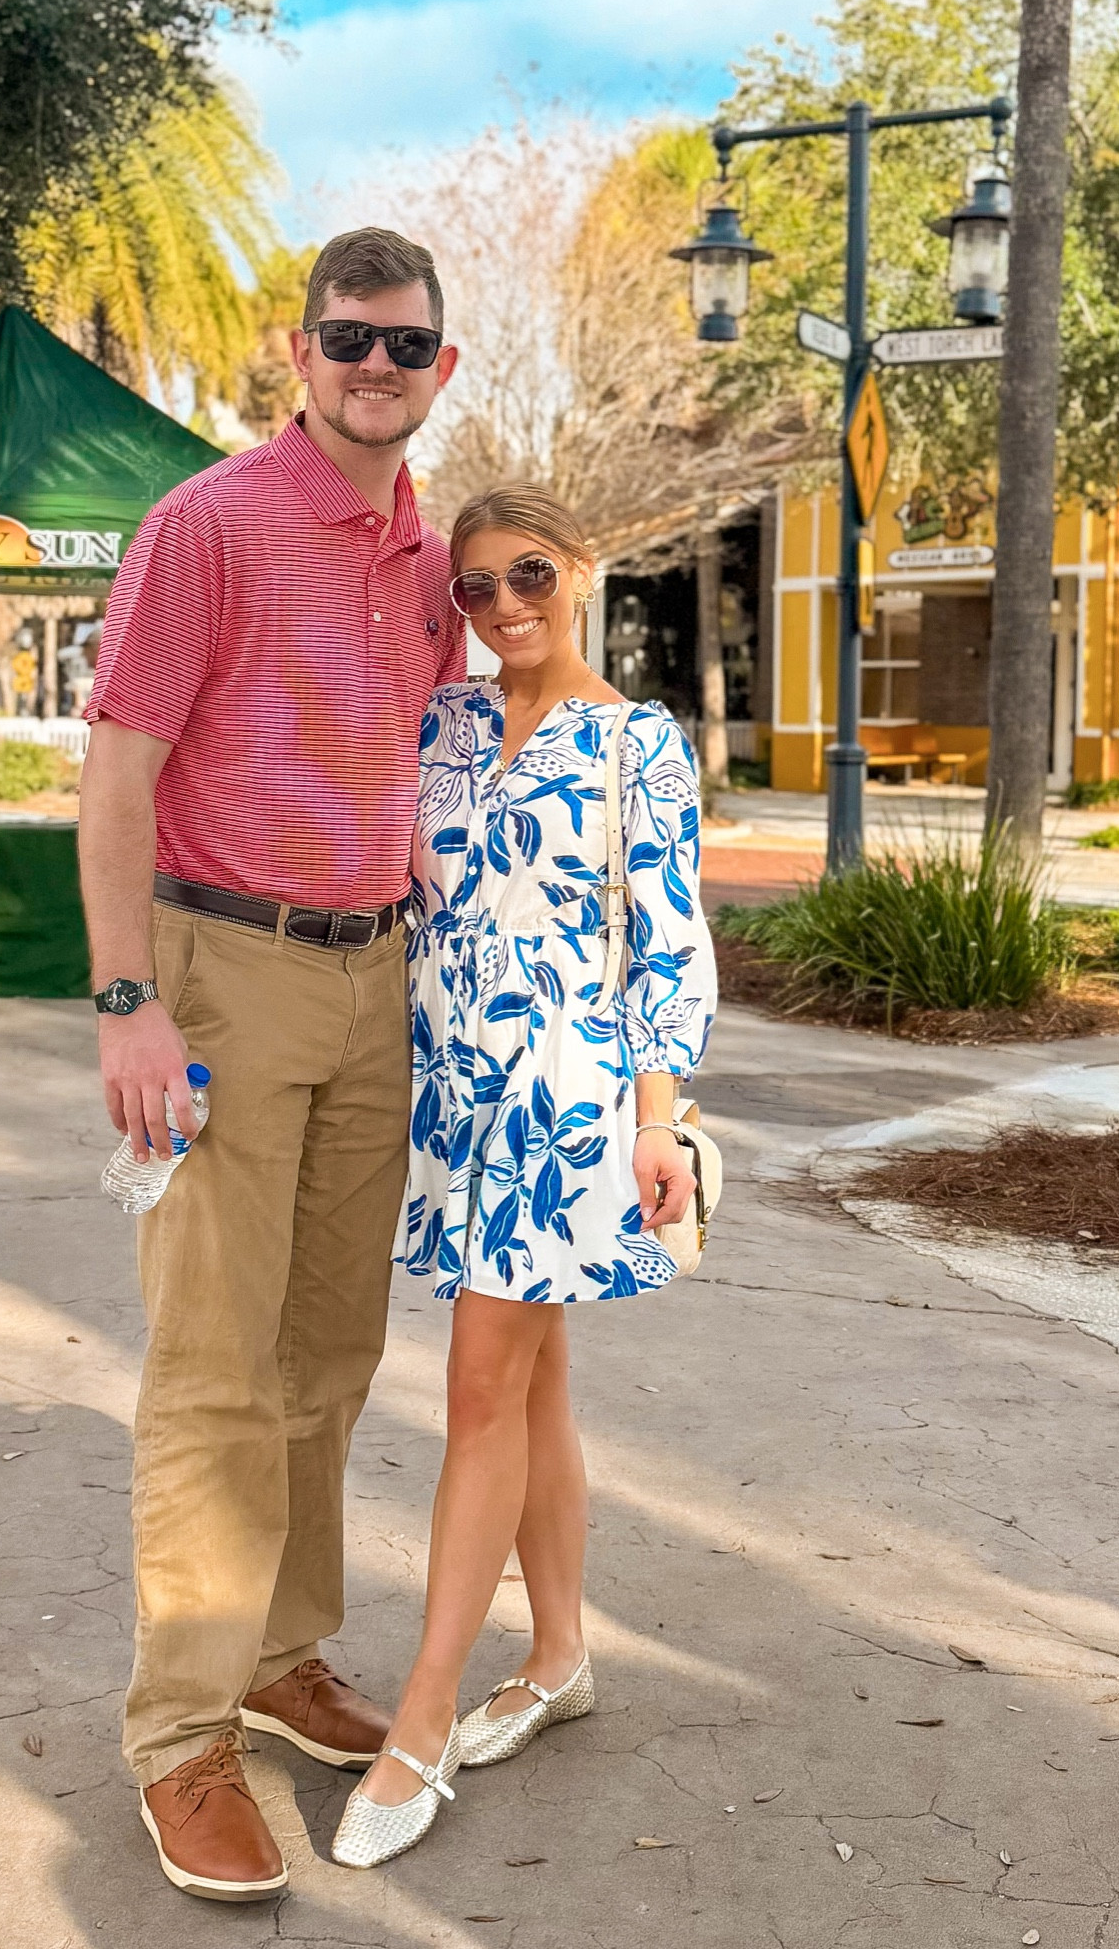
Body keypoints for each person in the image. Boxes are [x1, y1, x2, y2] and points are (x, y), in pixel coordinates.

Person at [76, 229, 462, 1903]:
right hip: (221, 975)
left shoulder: (429, 550)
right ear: (296, 353)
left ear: (442, 368)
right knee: (218, 1368)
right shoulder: (205, 529)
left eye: (406, 345)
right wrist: (125, 1001)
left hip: (376, 973)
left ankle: (282, 1651)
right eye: (349, 339)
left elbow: (417, 754)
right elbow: (114, 777)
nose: (375, 366)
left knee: (330, 1349)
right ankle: (180, 1733)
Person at [329, 484, 717, 1869]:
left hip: (568, 1107)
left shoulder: (638, 745)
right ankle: (558, 1660)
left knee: (481, 1386)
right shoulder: (438, 727)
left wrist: (660, 1119)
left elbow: (665, 946)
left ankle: (422, 1714)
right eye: (475, 590)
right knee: (532, 1382)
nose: (503, 608)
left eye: (529, 575)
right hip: (451, 1094)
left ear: (583, 567)